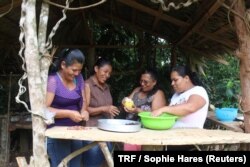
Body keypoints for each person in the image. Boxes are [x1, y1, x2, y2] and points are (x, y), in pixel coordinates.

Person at [46, 48, 89, 167]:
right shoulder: (53, 81)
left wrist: (84, 111)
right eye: (74, 70)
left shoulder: (79, 78)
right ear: (63, 65)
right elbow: (44, 109)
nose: (76, 73)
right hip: (56, 133)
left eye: (79, 70)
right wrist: (69, 113)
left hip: (75, 131)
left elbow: (83, 100)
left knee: (75, 165)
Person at [151, 66, 209, 150]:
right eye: (171, 80)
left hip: (189, 141)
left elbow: (190, 107)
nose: (172, 83)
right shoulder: (176, 95)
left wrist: (163, 109)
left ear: (186, 78)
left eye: (175, 80)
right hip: (173, 139)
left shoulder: (199, 91)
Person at [83, 57, 119, 166]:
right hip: (92, 131)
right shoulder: (87, 85)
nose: (107, 75)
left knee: (106, 162)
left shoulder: (107, 87)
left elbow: (109, 107)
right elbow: (84, 109)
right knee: (93, 163)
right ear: (96, 69)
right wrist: (104, 108)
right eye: (105, 71)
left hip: (107, 131)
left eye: (109, 73)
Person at [123, 68, 166, 151]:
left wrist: (137, 110)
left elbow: (156, 116)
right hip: (131, 131)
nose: (142, 84)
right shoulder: (137, 90)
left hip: (147, 134)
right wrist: (125, 103)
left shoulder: (158, 94)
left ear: (154, 82)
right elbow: (127, 100)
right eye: (141, 81)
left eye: (146, 82)